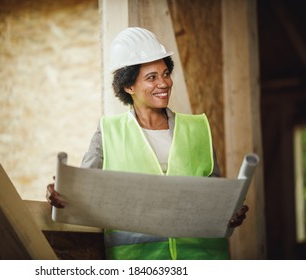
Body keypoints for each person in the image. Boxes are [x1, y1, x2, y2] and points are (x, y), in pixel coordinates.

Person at [46, 27, 249, 260]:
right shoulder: (108, 132)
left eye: (165, 73)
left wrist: (230, 210)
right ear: (128, 86)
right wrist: (60, 193)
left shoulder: (198, 128)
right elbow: (82, 192)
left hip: (202, 259)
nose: (164, 83)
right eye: (151, 77)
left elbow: (215, 198)